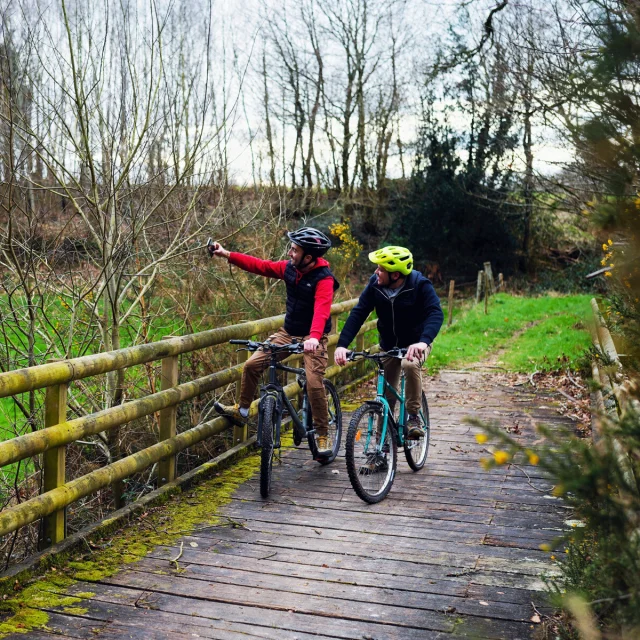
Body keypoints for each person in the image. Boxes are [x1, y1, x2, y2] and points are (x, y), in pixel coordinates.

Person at [209, 227, 339, 455]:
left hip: (313, 336)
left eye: (295, 250)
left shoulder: (324, 279)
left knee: (313, 381)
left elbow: (321, 310)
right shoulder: (290, 269)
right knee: (251, 365)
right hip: (288, 332)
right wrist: (226, 254)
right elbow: (260, 266)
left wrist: (315, 337)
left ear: (308, 257)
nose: (290, 253)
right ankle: (242, 411)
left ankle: (323, 434)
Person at [334, 246, 443, 439]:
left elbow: (435, 313)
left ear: (395, 275)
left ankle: (413, 417)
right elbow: (359, 313)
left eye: (381, 269)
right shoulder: (375, 285)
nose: (376, 272)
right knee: (385, 397)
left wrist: (423, 342)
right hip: (389, 346)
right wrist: (342, 345)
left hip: (417, 344)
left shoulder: (419, 284)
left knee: (409, 364)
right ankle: (381, 449)